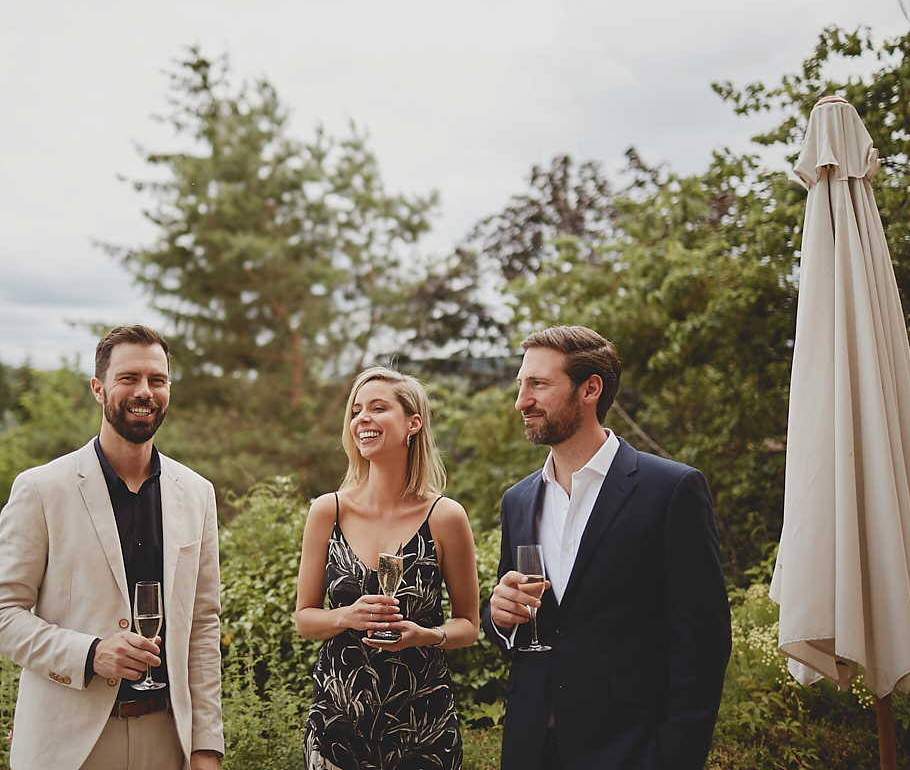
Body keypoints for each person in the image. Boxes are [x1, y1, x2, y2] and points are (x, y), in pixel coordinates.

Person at [0, 325, 223, 770]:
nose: (144, 391)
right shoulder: (41, 488)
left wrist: (206, 746)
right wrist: (89, 654)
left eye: (157, 380)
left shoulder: (198, 493)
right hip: (69, 748)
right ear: (98, 388)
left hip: (168, 742)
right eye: (128, 378)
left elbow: (203, 626)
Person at [483, 325, 731, 770]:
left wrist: (673, 758)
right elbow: (521, 627)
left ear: (590, 389)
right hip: (530, 748)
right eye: (521, 385)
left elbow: (704, 643)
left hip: (631, 750)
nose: (521, 401)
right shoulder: (517, 500)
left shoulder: (672, 489)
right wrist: (499, 617)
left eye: (538, 384)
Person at [296, 366, 481, 770]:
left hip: (422, 726)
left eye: (378, 408)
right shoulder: (328, 510)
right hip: (337, 725)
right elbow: (306, 621)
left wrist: (425, 635)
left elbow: (468, 625)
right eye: (356, 410)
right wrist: (347, 615)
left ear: (413, 423)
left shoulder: (445, 516)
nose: (362, 418)